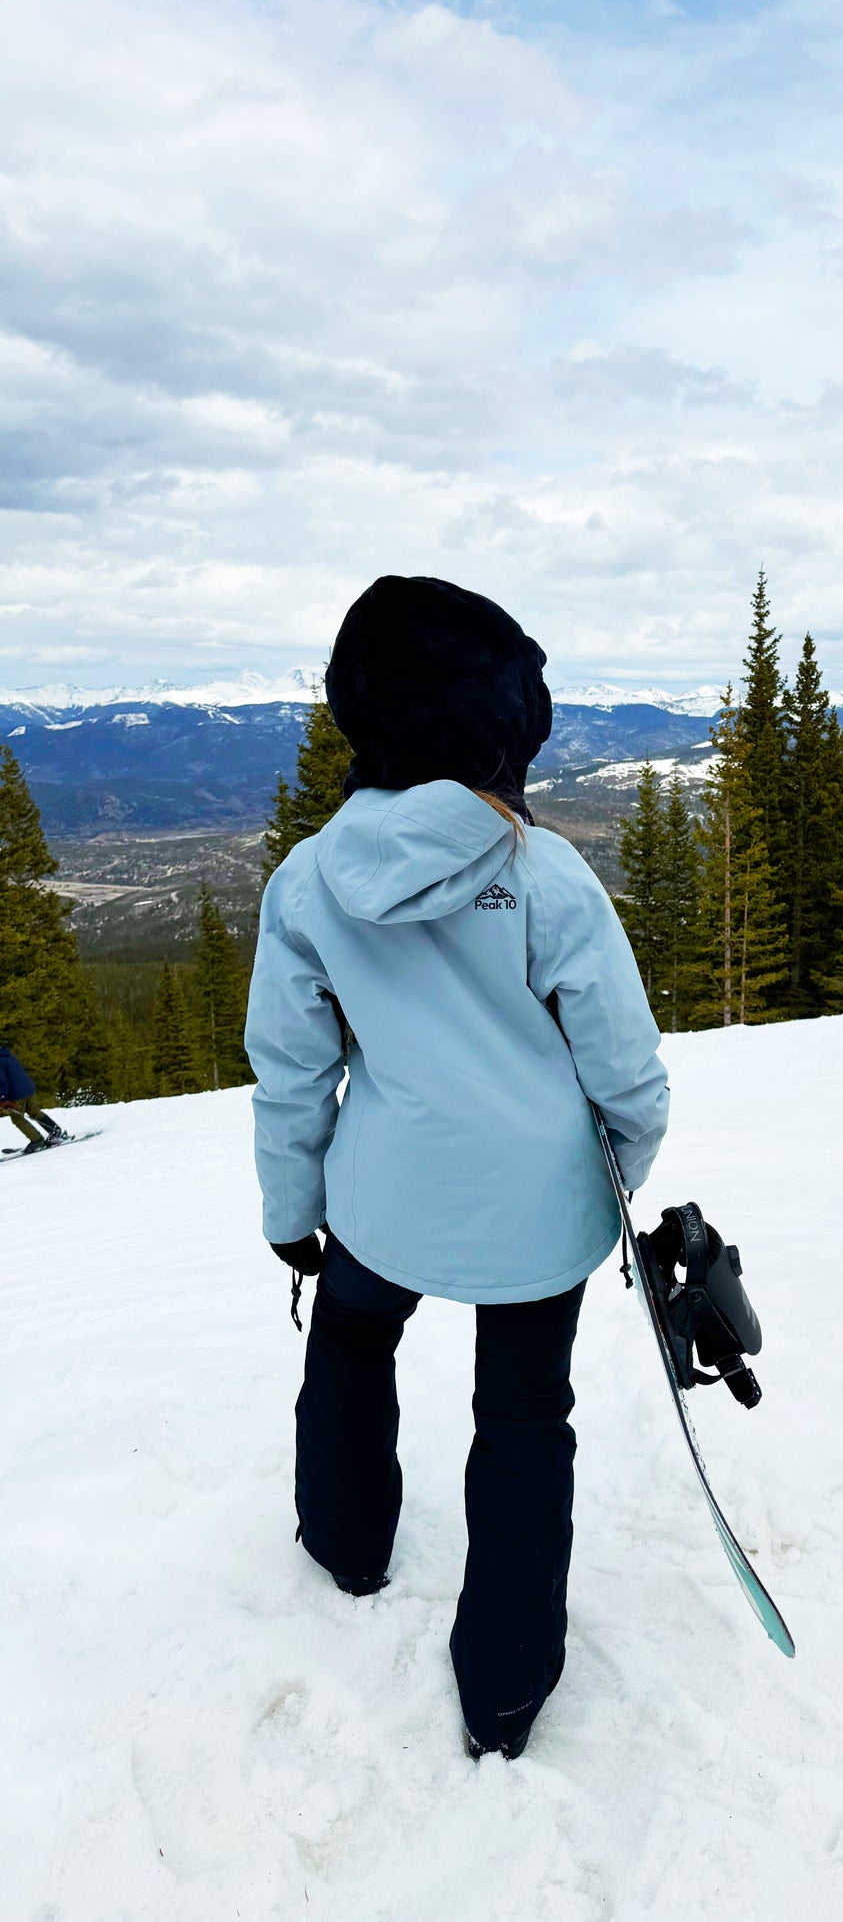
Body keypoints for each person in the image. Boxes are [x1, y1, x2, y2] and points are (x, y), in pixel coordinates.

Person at [245, 576, 669, 1761]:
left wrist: (291, 1210)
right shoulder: (543, 873)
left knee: (351, 1336)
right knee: (524, 1414)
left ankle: (345, 1542)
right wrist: (613, 1184)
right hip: (538, 1213)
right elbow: (626, 1075)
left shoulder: (307, 881)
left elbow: (292, 1070)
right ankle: (504, 1691)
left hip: (382, 1199)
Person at [0, 1043, 70, 1154]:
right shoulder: (6, 1054)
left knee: (18, 1119)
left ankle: (37, 1141)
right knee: (34, 1111)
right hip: (28, 1088)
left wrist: (3, 1099)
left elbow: (2, 1082)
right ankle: (55, 1132)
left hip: (16, 1094)